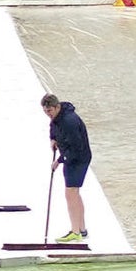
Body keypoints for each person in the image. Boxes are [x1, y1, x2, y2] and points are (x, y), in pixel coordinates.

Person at [41, 92, 92, 245]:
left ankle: (75, 232)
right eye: (45, 111)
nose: (48, 114)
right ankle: (82, 229)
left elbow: (76, 147)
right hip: (72, 158)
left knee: (70, 193)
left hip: (78, 159)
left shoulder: (69, 121)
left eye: (49, 111)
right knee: (74, 193)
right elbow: (53, 127)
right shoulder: (57, 117)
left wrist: (59, 160)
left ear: (57, 107)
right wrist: (53, 139)